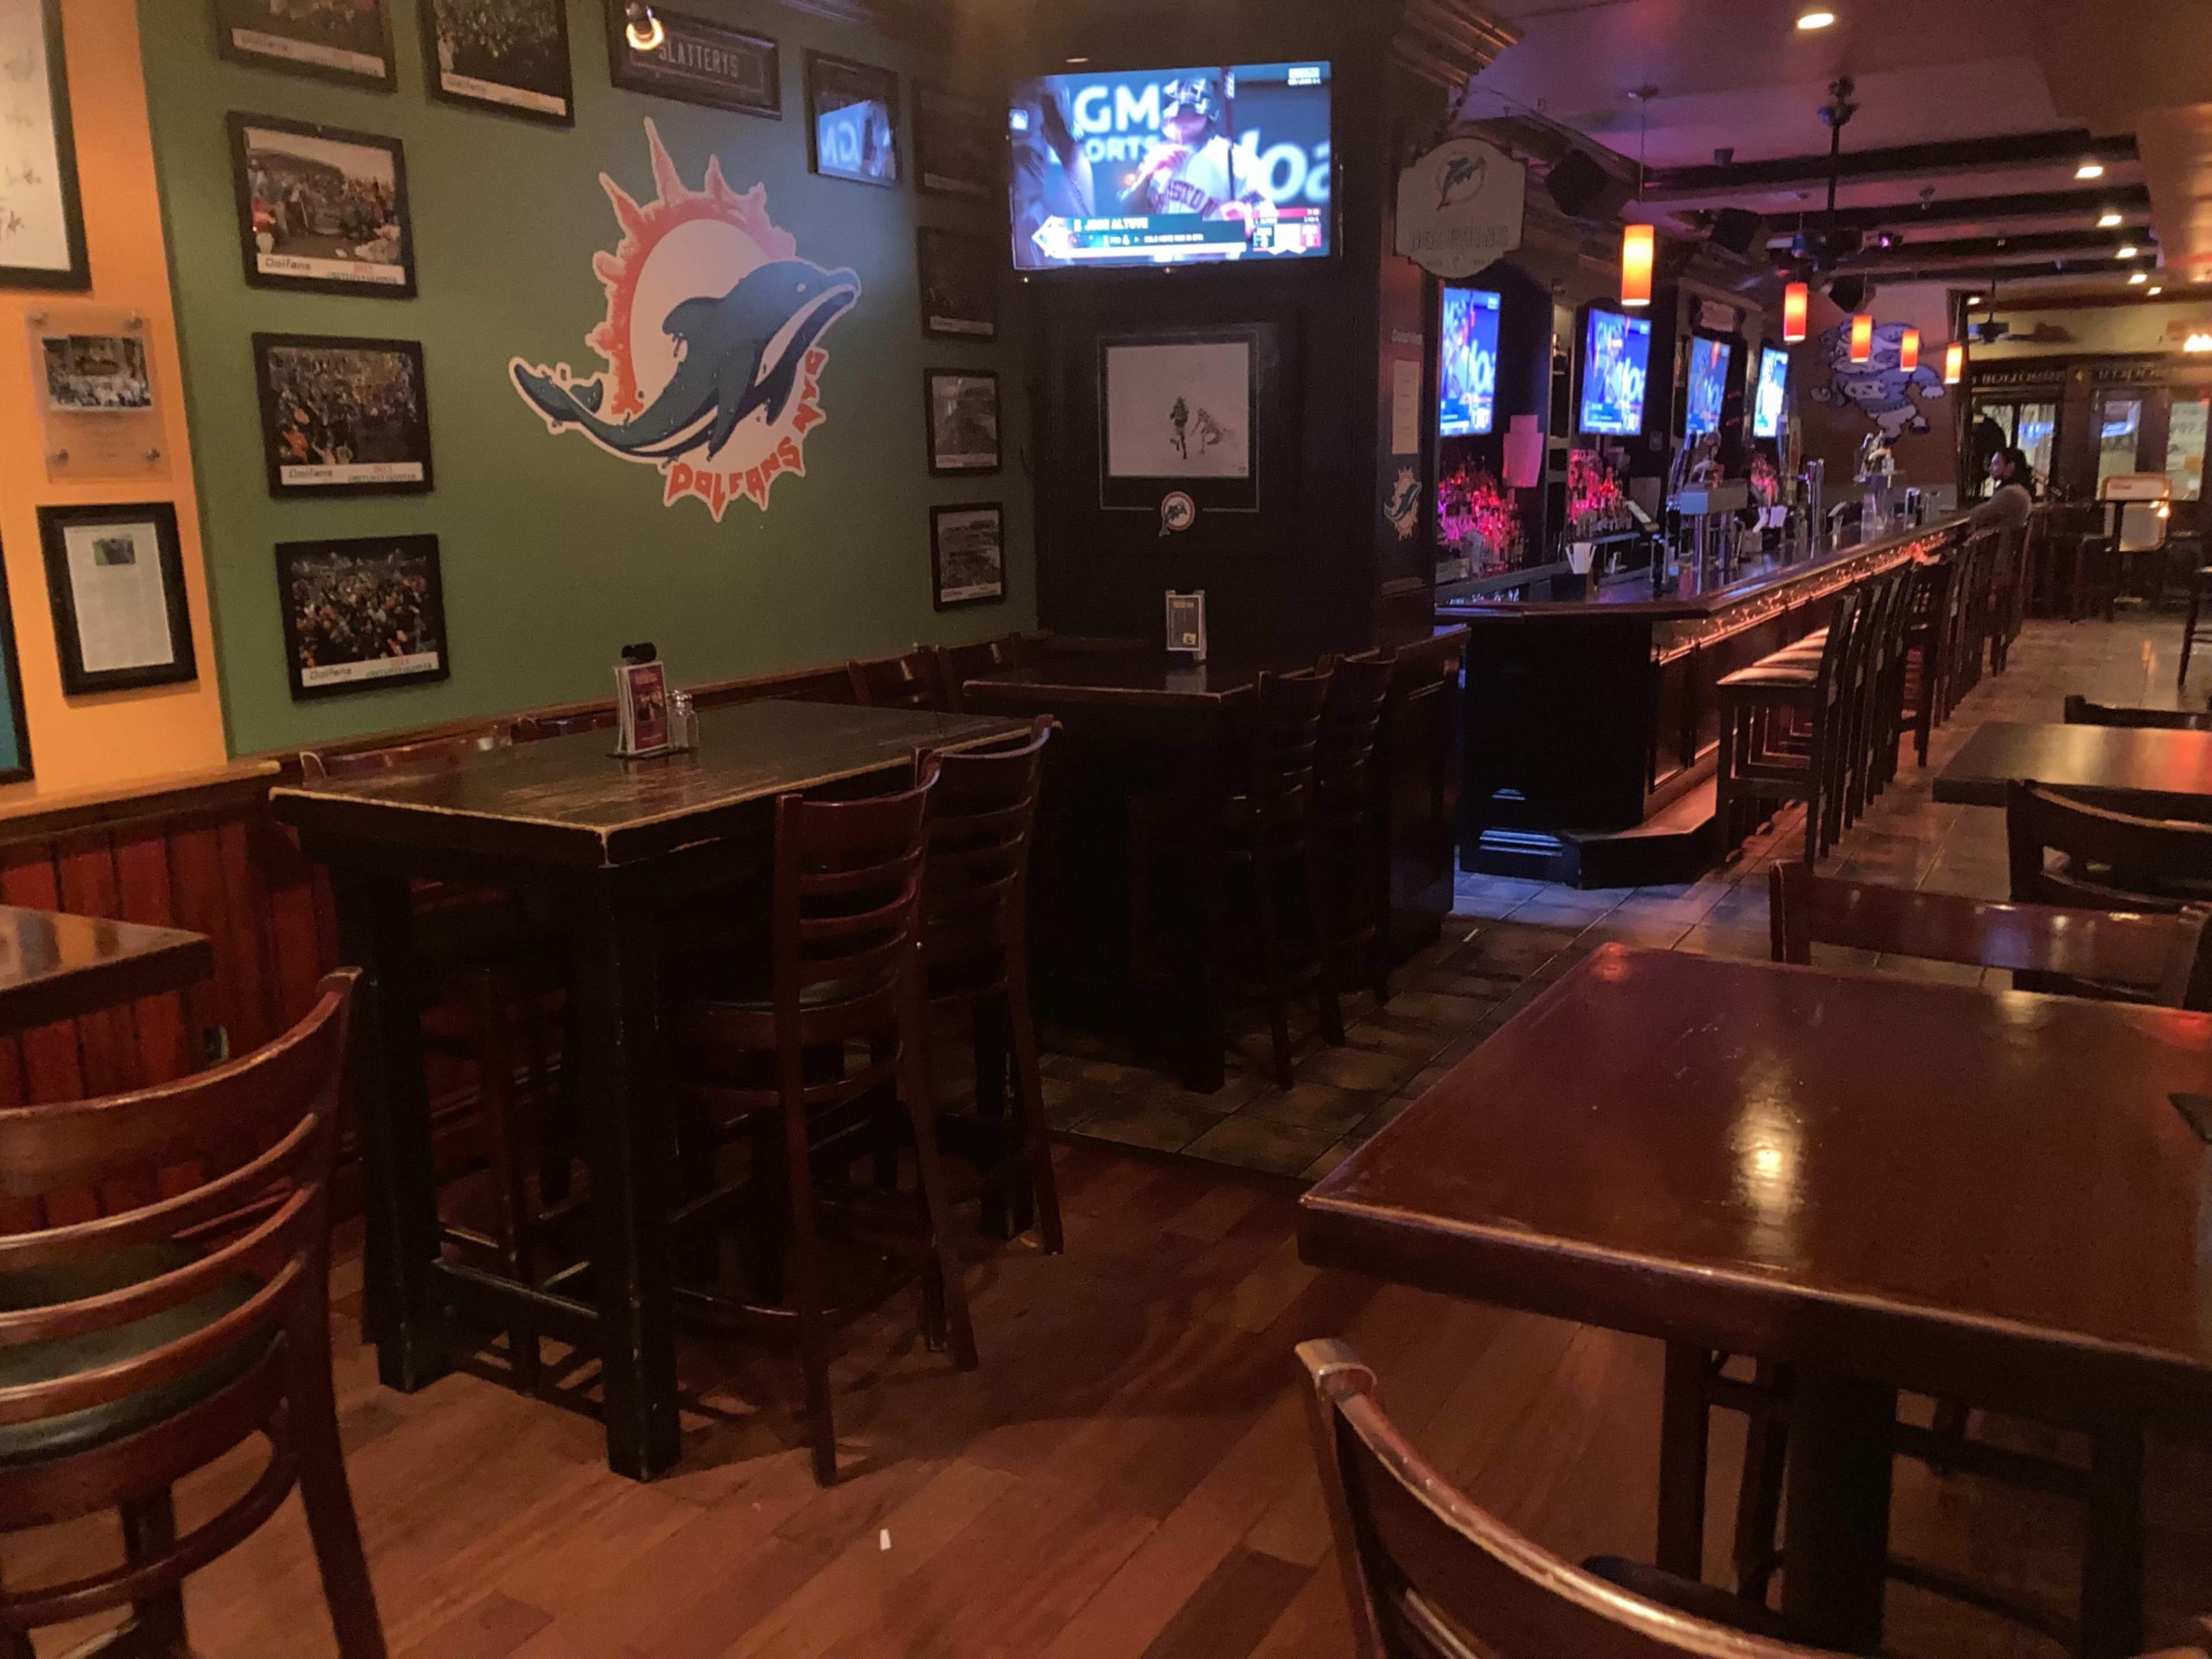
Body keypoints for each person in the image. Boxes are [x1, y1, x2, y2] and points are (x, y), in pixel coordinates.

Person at [1969, 445, 2034, 536]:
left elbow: (1978, 515)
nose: (1990, 468)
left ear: (2010, 467)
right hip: (2005, 547)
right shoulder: (2020, 490)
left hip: (1997, 547)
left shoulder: (2012, 493)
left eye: (1996, 464)